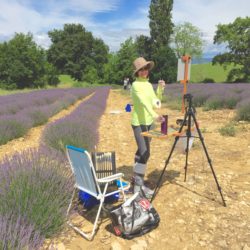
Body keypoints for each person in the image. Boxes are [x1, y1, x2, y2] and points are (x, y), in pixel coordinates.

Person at [130, 57, 166, 199]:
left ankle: (137, 181)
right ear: (137, 72)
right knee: (145, 153)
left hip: (150, 122)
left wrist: (160, 89)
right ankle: (138, 189)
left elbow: (155, 102)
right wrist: (155, 115)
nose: (144, 71)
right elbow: (144, 103)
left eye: (146, 68)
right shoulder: (135, 85)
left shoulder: (149, 85)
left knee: (142, 153)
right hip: (139, 123)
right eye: (141, 69)